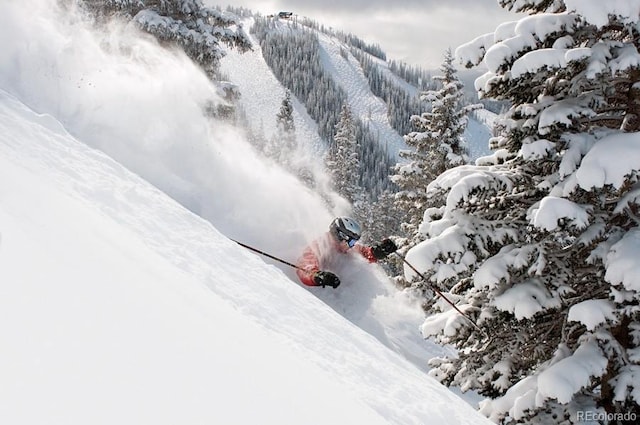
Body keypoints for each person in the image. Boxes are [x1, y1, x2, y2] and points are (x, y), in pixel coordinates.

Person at [296, 217, 397, 288]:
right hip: (318, 299)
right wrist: (317, 276)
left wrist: (377, 252)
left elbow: (364, 253)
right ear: (341, 237)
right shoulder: (319, 246)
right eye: (352, 241)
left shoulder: (346, 249)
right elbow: (305, 266)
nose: (353, 245)